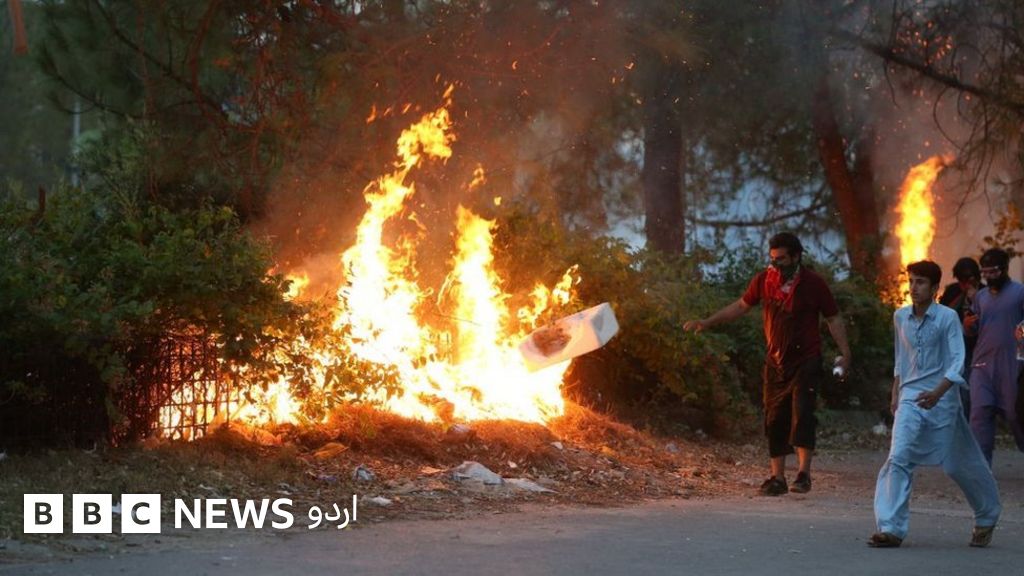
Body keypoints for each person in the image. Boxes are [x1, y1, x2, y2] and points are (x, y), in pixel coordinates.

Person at [683, 232, 851, 496]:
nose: (776, 264)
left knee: (803, 414)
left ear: (796, 257)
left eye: (781, 259)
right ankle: (777, 478)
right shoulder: (764, 280)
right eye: (773, 258)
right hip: (775, 361)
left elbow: (833, 318)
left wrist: (845, 353)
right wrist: (707, 322)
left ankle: (803, 475)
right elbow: (741, 306)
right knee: (774, 418)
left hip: (806, 359)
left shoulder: (813, 283)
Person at [869, 260, 1000, 548]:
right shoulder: (900, 317)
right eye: (911, 281)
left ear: (935, 288)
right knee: (899, 456)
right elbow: (900, 359)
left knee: (956, 464)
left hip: (943, 401)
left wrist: (938, 393)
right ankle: (890, 528)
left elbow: (957, 360)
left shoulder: (947, 318)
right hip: (910, 398)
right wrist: (895, 392)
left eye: (921, 282)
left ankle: (987, 514)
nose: (914, 287)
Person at [964, 247, 1024, 464]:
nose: (989, 277)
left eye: (993, 272)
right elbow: (972, 329)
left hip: (1013, 365)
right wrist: (967, 325)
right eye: (985, 272)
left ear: (1005, 269)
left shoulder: (1019, 293)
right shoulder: (980, 297)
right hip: (982, 365)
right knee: (979, 415)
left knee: (1015, 416)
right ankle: (982, 470)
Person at [939, 257, 983, 414]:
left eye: (968, 280)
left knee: (969, 392)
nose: (965, 284)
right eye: (961, 280)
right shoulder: (953, 291)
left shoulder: (985, 293)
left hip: (977, 349)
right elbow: (942, 314)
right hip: (953, 347)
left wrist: (975, 299)